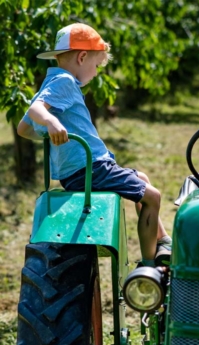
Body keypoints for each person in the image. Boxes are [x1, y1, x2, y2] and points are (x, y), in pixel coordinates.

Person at [16, 23, 171, 267]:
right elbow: (36, 112)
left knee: (142, 178)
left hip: (78, 171)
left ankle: (163, 240)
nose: (97, 73)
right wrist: (52, 123)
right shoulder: (64, 82)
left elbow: (23, 129)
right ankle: (150, 265)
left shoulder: (51, 82)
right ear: (82, 57)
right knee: (153, 196)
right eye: (97, 66)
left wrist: (53, 132)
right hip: (91, 169)